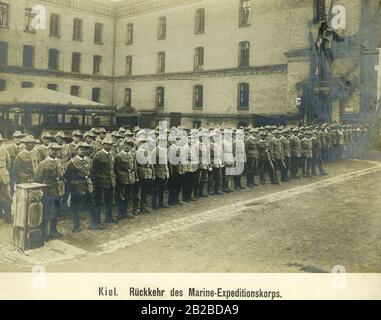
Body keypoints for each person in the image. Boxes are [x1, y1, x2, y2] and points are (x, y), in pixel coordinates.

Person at [65, 142, 104, 232]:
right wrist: (72, 184)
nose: (83, 151)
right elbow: (67, 175)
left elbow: (92, 172)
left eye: (85, 149)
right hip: (76, 187)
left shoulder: (89, 160)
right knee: (75, 207)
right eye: (81, 149)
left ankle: (94, 224)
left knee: (91, 205)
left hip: (87, 186)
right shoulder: (72, 162)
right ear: (77, 150)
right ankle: (76, 226)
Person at [34, 143, 65, 239]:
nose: (55, 152)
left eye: (57, 150)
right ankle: (44, 233)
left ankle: (53, 231)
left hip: (57, 191)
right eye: (53, 150)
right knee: (46, 213)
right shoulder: (43, 163)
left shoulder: (59, 162)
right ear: (48, 150)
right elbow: (37, 179)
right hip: (47, 192)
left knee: (55, 212)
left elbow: (62, 175)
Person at [92, 137, 117, 225]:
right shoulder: (98, 155)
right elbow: (94, 170)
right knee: (98, 202)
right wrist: (96, 182)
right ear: (103, 145)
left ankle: (108, 217)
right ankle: (97, 221)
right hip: (100, 182)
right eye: (107, 144)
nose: (109, 146)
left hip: (110, 181)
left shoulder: (112, 154)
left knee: (109, 201)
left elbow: (113, 168)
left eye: (110, 145)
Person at [114, 138, 138, 219]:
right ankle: (120, 213)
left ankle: (126, 212)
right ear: (122, 146)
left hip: (130, 179)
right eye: (125, 145)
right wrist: (119, 178)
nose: (127, 147)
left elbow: (134, 167)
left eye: (129, 145)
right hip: (122, 179)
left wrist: (135, 177)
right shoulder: (118, 156)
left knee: (128, 196)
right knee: (121, 196)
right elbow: (116, 169)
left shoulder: (132, 155)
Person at [136, 137, 155, 213]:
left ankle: (144, 206)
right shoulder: (138, 152)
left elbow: (151, 164)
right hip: (141, 172)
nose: (145, 145)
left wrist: (153, 173)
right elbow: (135, 164)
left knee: (146, 191)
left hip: (148, 173)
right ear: (140, 144)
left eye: (146, 143)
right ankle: (137, 208)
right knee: (139, 191)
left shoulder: (148, 152)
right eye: (143, 143)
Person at [152, 135, 170, 210]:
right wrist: (154, 173)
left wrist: (167, 171)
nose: (163, 142)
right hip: (158, 173)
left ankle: (161, 203)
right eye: (161, 141)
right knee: (156, 190)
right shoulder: (155, 151)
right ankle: (154, 205)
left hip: (164, 172)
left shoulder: (165, 150)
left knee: (162, 189)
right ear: (158, 141)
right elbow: (153, 163)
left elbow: (166, 162)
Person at [0, 134, 12, 224]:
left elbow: (8, 163)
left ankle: (8, 217)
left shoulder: (4, 150)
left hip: (4, 177)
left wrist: (4, 172)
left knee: (7, 197)